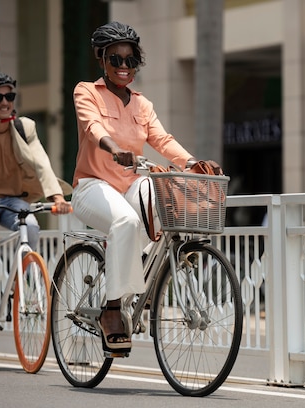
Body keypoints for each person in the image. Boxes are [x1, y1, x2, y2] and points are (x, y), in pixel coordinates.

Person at [71, 21, 214, 351]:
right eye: (115, 59)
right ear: (101, 59)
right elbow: (92, 126)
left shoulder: (142, 104)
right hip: (93, 186)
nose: (123, 67)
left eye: (130, 60)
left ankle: (141, 281)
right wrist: (112, 148)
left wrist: (192, 163)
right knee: (127, 221)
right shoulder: (86, 91)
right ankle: (111, 311)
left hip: (130, 183)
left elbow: (161, 140)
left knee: (164, 197)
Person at [0, 71, 72, 343]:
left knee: (31, 226)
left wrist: (56, 197)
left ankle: (23, 287)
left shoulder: (24, 127)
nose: (5, 102)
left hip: (13, 200)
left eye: (10, 96)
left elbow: (41, 161)